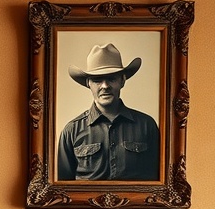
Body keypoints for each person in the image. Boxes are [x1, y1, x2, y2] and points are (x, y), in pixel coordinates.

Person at [57, 43, 160, 181]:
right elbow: (62, 186)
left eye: (112, 78)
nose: (105, 86)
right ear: (88, 83)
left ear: (122, 80)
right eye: (97, 80)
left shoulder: (147, 125)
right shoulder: (71, 131)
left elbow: (158, 181)